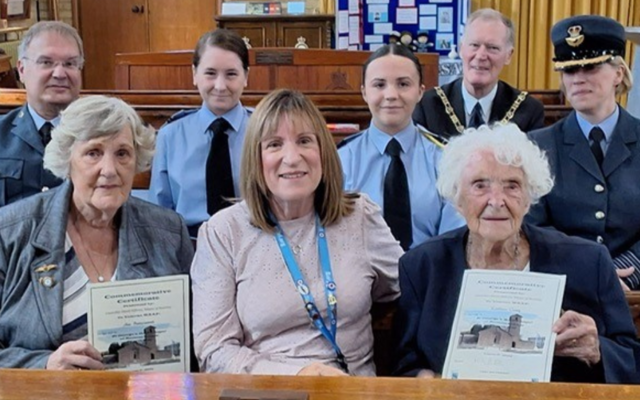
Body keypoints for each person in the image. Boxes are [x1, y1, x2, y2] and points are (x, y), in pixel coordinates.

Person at [393, 123, 640, 383]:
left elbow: (632, 360)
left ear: (529, 198)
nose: (497, 201)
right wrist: (427, 380)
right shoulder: (422, 266)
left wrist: (597, 350)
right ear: (457, 198)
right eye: (480, 185)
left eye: (512, 186)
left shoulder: (588, 262)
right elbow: (404, 363)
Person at [192, 89, 401, 375]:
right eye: (275, 145)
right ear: (256, 158)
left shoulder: (360, 217)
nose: (292, 157)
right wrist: (298, 377)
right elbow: (213, 350)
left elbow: (410, 290)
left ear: (323, 152)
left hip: (351, 390)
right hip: (265, 392)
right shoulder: (223, 232)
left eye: (304, 141)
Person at [0, 95, 194, 369]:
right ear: (68, 159)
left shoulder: (168, 232)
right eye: (93, 153)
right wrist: (44, 365)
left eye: (122, 153)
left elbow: (194, 337)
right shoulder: (9, 231)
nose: (110, 170)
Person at [526, 15, 640, 291]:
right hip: (565, 289)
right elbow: (533, 227)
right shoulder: (537, 146)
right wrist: (592, 271)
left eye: (589, 67)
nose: (577, 79)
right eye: (569, 70)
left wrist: (626, 272)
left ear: (618, 73)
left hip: (634, 290)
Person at [338, 44, 464, 251]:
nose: (391, 94)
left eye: (403, 84)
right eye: (379, 85)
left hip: (428, 275)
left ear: (420, 92)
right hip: (361, 276)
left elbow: (452, 241)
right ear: (364, 92)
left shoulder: (445, 159)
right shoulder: (342, 160)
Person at [149, 29, 252, 238]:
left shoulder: (265, 129)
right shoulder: (171, 136)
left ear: (246, 77)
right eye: (210, 73)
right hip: (189, 244)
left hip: (252, 241)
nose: (220, 86)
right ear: (194, 74)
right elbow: (158, 213)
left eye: (231, 74)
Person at [413, 8, 544, 140]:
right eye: (474, 45)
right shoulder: (428, 106)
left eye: (492, 47)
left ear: (508, 55)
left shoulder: (528, 110)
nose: (481, 56)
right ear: (461, 49)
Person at [0, 21, 83, 206]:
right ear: (21, 70)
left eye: (70, 63)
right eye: (46, 62)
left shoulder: (97, 133)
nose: (60, 73)